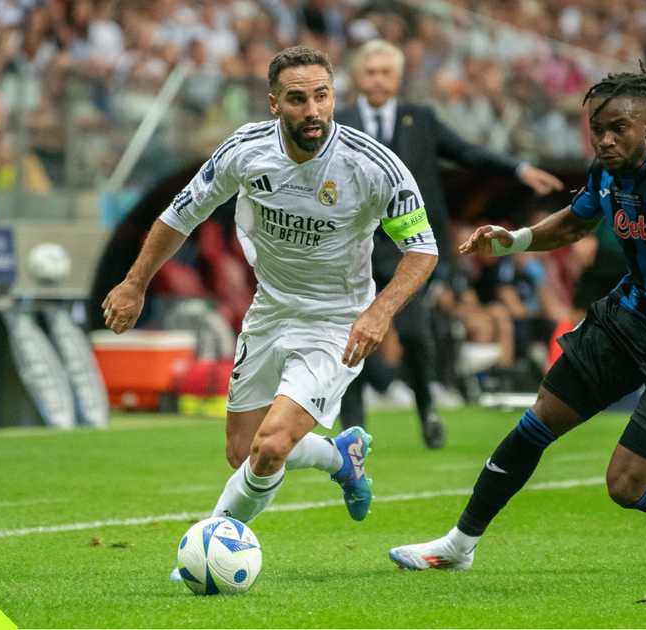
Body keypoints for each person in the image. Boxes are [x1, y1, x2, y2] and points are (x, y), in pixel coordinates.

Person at [388, 65, 646, 574]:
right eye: (598, 129)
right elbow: (576, 223)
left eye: (618, 129)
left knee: (626, 485)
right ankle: (459, 544)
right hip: (630, 318)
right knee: (540, 418)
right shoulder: (606, 171)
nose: (606, 140)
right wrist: (516, 240)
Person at [100, 46, 438, 564]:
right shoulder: (246, 151)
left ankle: (208, 551)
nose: (313, 110)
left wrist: (379, 312)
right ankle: (339, 457)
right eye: (298, 99)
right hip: (270, 312)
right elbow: (180, 215)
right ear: (274, 103)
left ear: (334, 96)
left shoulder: (371, 165)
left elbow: (422, 248)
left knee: (271, 446)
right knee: (242, 451)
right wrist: (134, 283)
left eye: (322, 96)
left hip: (337, 321)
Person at [335, 39, 564, 448]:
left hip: (406, 249)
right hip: (355, 247)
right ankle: (351, 432)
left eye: (386, 72)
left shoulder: (420, 119)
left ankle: (427, 409)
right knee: (349, 337)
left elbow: (466, 152)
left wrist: (518, 169)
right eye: (370, 72)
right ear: (357, 76)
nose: (378, 80)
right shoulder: (340, 122)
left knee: (414, 334)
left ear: (398, 77)